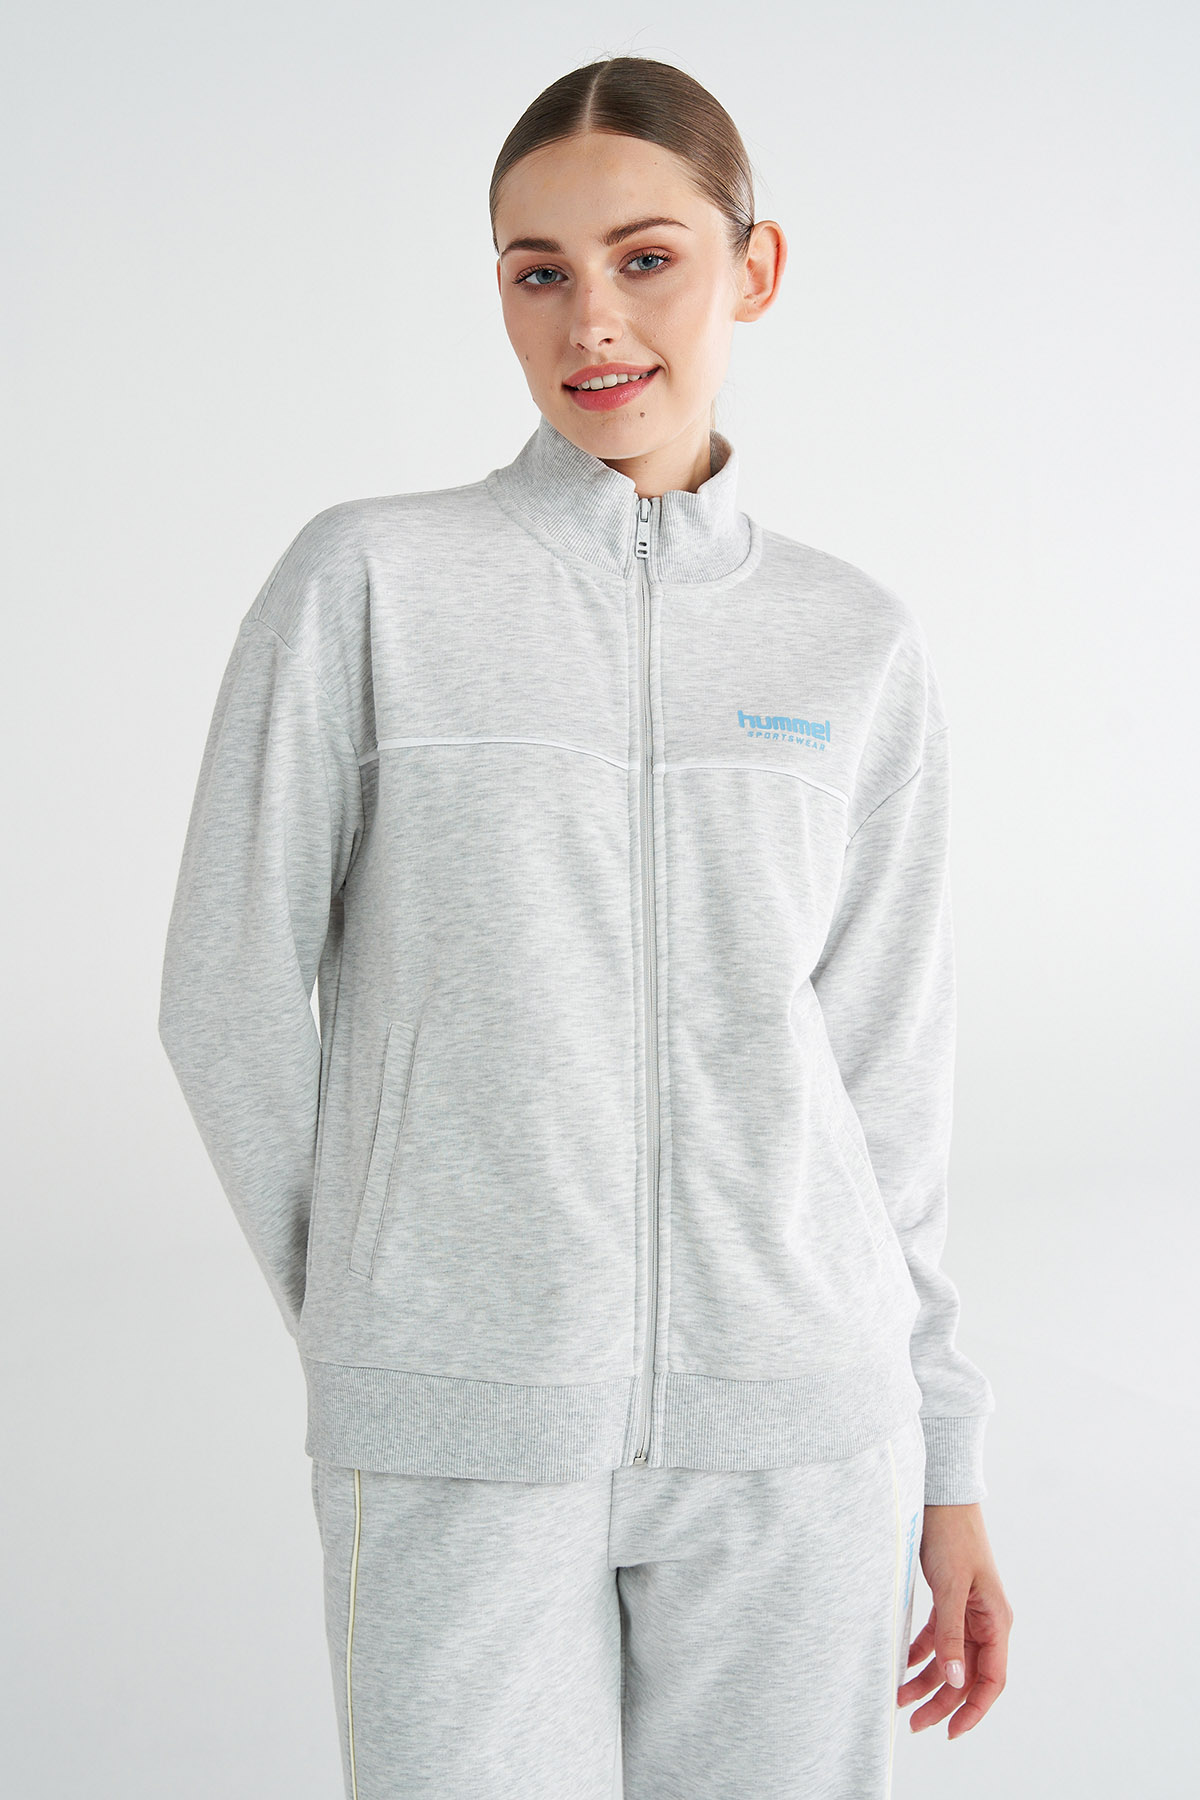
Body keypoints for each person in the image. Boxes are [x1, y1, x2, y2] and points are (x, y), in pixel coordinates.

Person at [158, 52, 1013, 1800]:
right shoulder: (371, 583)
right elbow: (222, 989)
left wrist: (948, 1462)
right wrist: (394, 1316)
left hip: (802, 1438)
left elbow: (886, 1079)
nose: (593, 322)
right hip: (457, 1439)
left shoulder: (851, 641)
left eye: (648, 260)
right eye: (539, 271)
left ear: (754, 270)